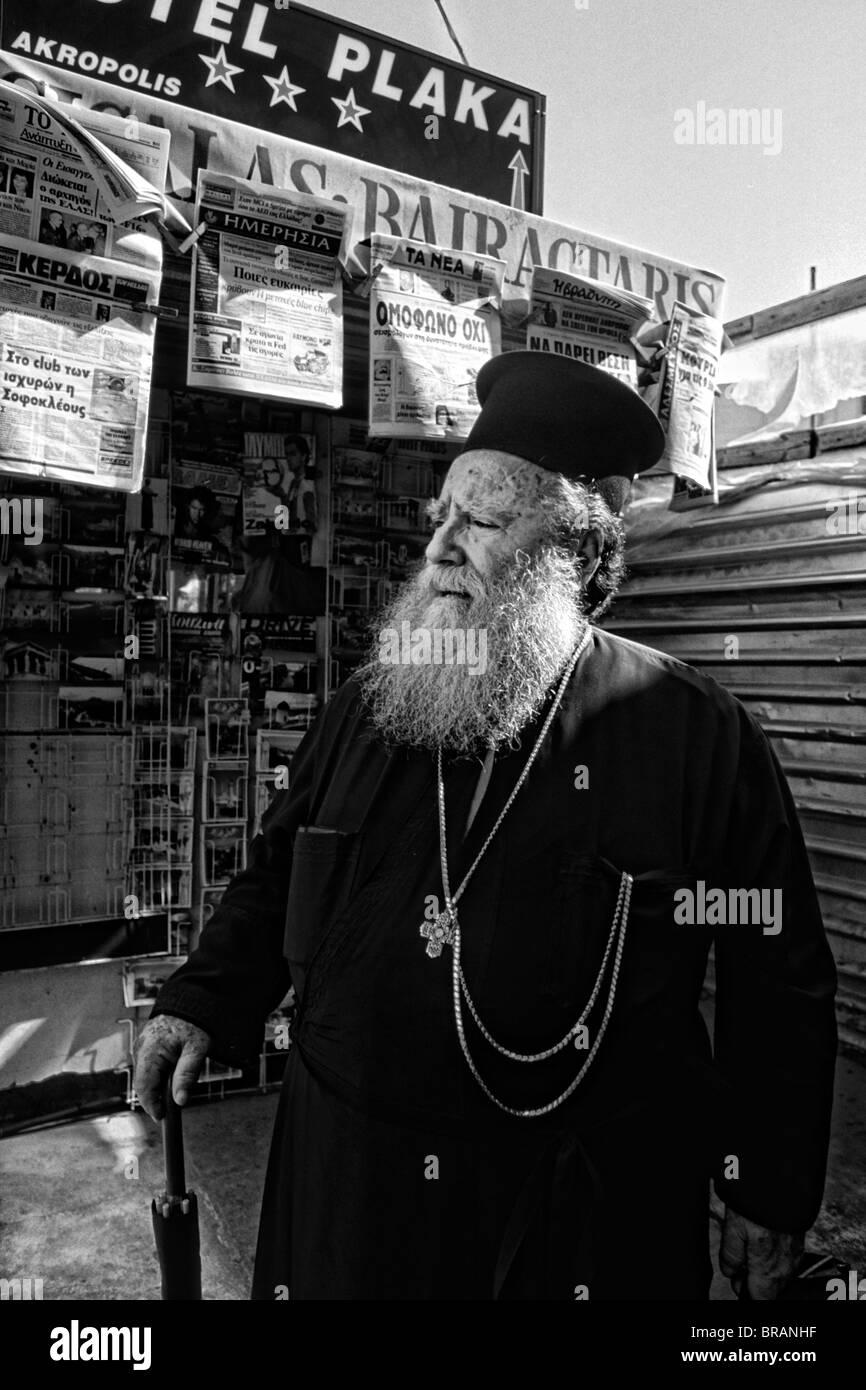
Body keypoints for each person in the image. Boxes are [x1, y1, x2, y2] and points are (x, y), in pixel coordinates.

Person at [135, 352, 837, 1302]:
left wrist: (768, 1185)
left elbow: (776, 974)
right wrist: (203, 1000)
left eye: (484, 521)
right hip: (351, 1196)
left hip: (572, 1223)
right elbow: (278, 872)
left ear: (579, 555)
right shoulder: (373, 699)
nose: (440, 547)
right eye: (442, 518)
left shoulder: (694, 736)